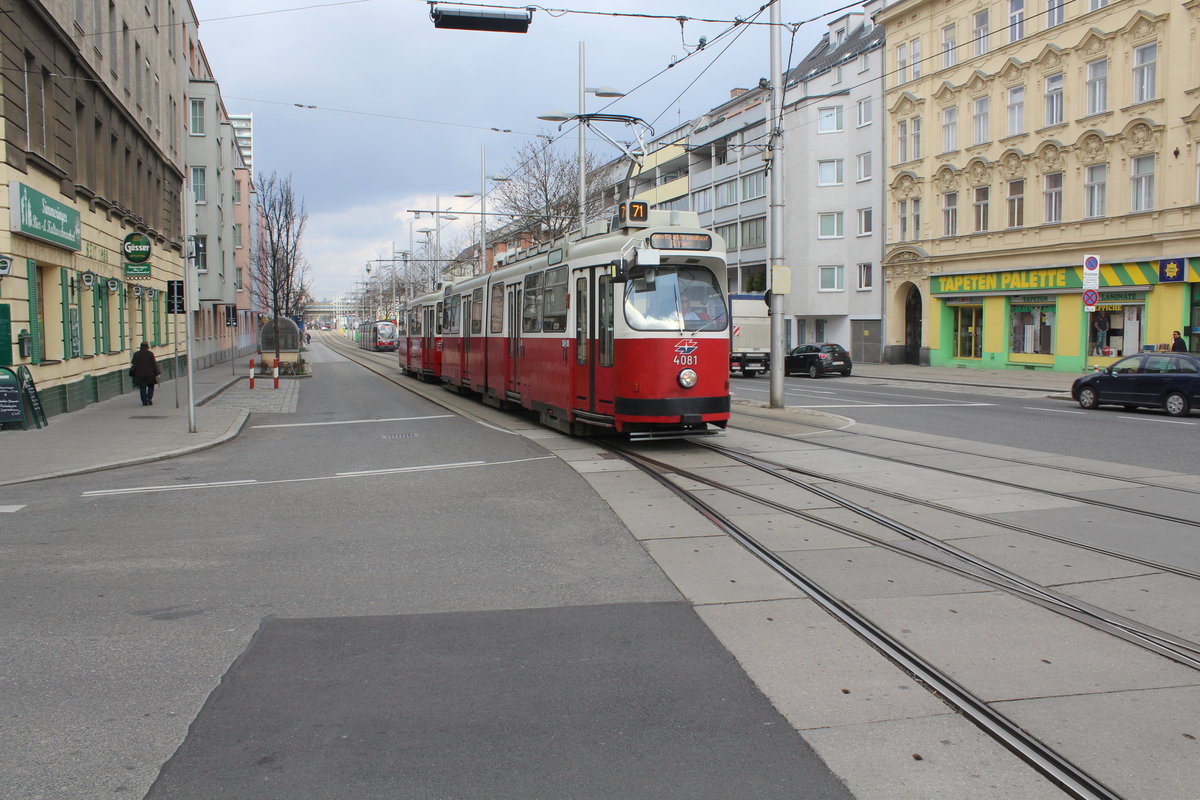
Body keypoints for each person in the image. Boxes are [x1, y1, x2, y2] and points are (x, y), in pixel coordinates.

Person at [130, 341, 161, 406]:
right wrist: (157, 372)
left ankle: (144, 401)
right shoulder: (150, 354)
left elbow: (133, 362)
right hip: (150, 374)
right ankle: (149, 398)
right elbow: (154, 364)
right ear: (147, 347)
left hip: (140, 374)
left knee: (142, 387)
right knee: (150, 386)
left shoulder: (136, 354)